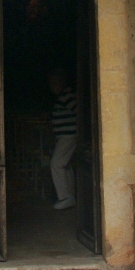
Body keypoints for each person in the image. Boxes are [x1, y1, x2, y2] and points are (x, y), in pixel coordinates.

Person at [48, 68, 76, 210]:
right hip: (64, 137)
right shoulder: (63, 97)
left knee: (56, 164)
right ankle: (70, 195)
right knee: (65, 165)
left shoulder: (67, 96)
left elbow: (79, 112)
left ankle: (65, 197)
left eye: (55, 82)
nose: (53, 86)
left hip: (69, 136)